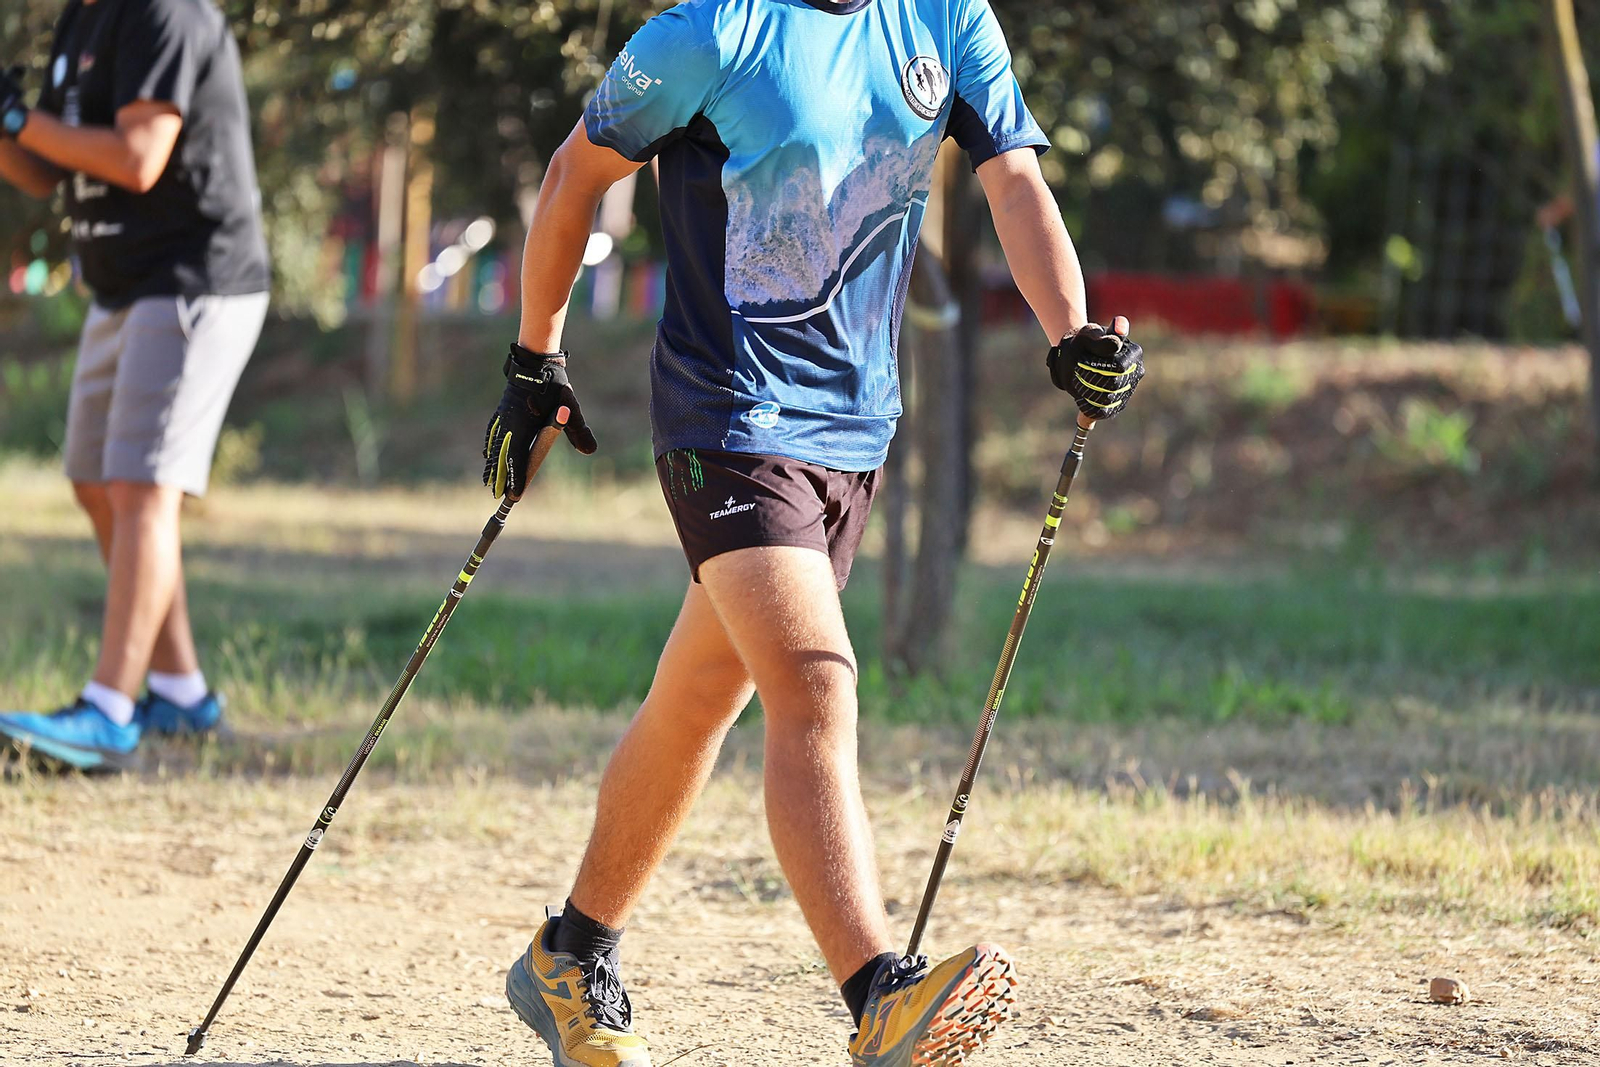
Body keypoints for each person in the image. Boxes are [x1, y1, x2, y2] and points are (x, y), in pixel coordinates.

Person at [481, 0, 1145, 1064]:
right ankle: (878, 990)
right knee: (814, 677)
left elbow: (1012, 176)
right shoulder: (708, 32)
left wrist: (1068, 331)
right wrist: (535, 359)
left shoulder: (944, 17)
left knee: (700, 695)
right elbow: (573, 175)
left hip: (855, 429)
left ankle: (569, 949)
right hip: (726, 417)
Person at [0, 0, 270, 772]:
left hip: (192, 280)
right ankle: (180, 689)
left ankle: (108, 711)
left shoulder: (166, 13)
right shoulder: (84, 20)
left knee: (142, 486)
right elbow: (43, 165)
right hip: (121, 287)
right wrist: (9, 125)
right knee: (95, 480)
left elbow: (137, 157)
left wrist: (18, 116)